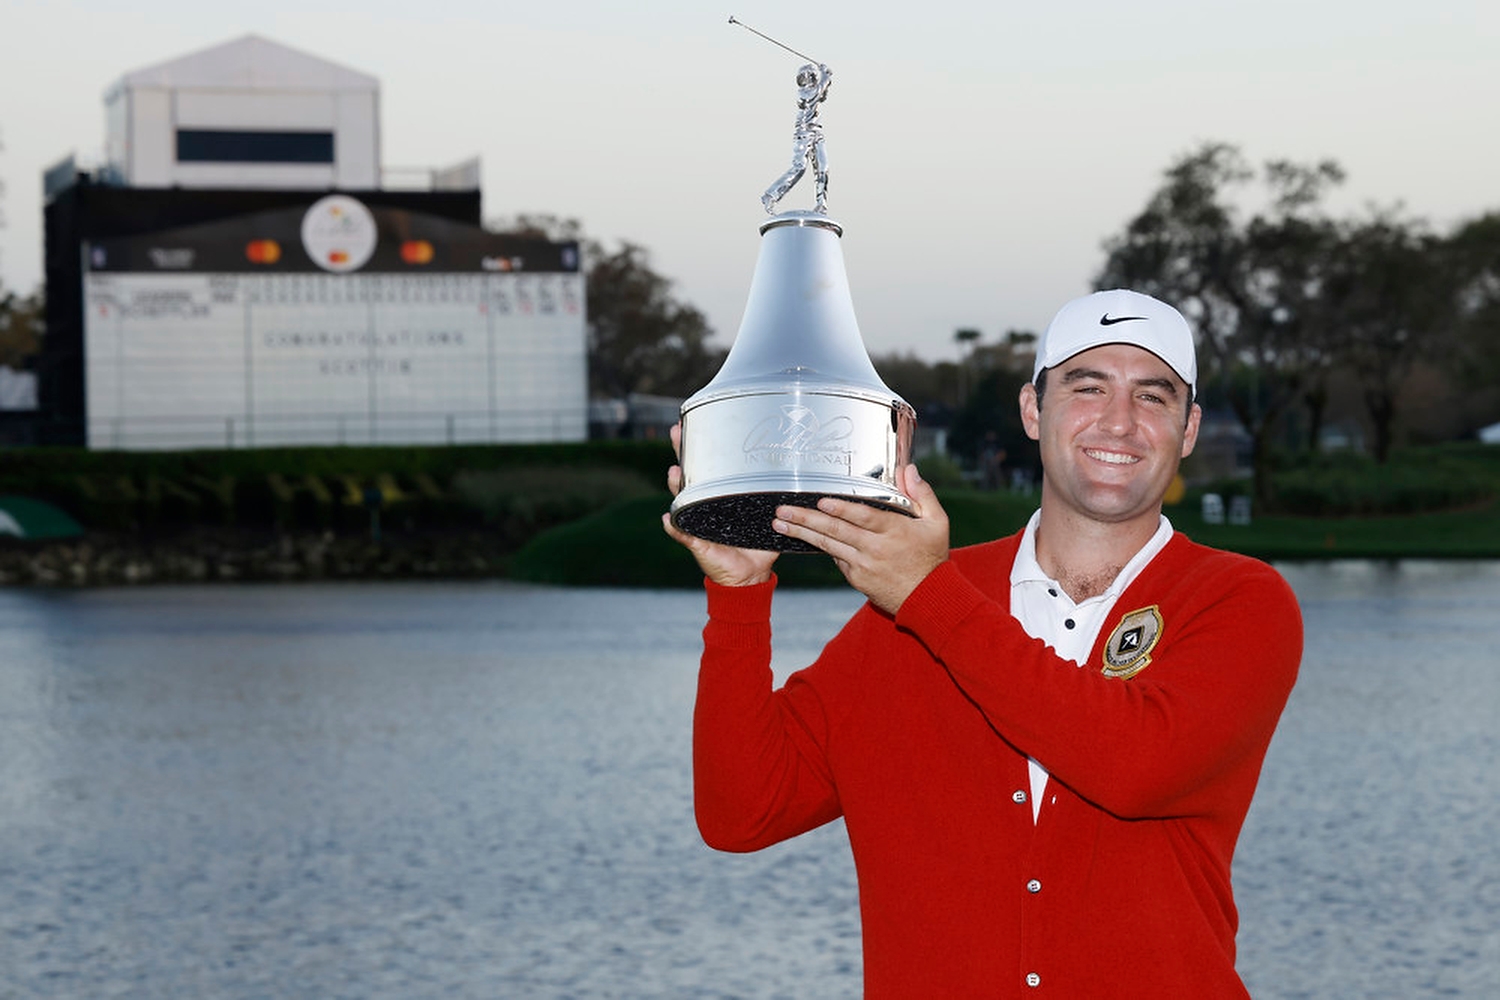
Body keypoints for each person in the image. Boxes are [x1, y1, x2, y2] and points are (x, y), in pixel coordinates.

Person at [662, 288, 1303, 997]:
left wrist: (928, 596)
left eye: (1153, 398)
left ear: (1188, 430)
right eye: (1087, 388)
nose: (1120, 422)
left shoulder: (1238, 599)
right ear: (1033, 409)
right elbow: (742, 811)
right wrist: (739, 596)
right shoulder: (909, 609)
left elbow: (1135, 765)